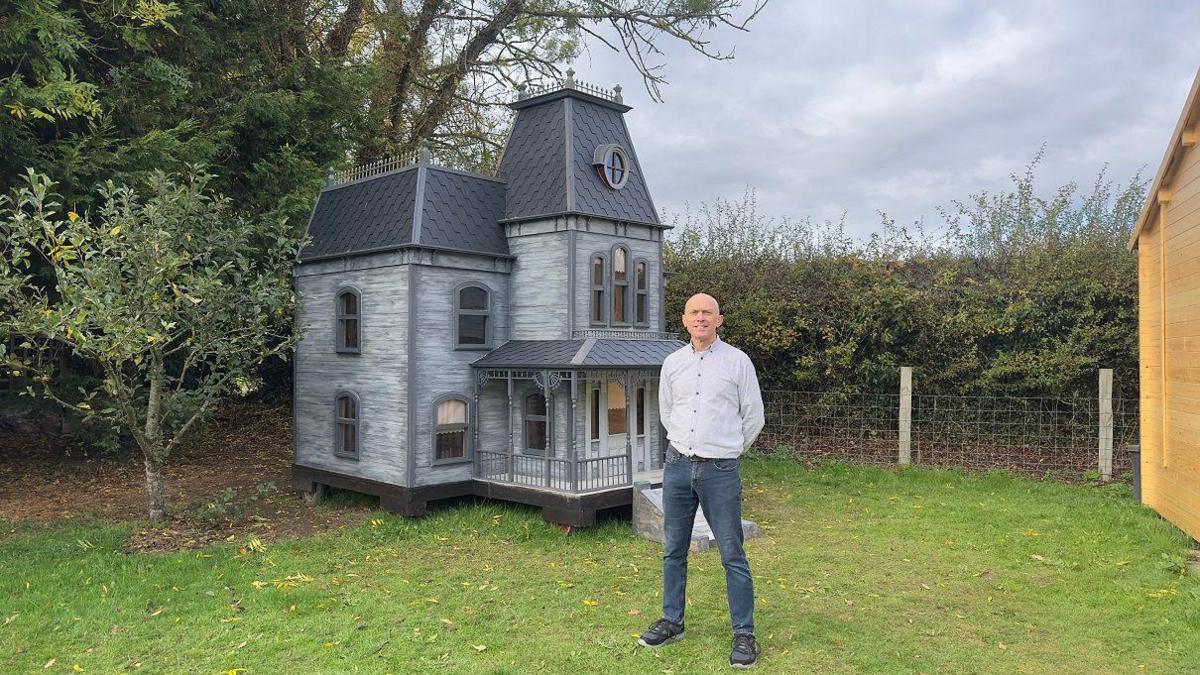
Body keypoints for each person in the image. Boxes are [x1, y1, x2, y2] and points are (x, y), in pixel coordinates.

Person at [639, 292, 765, 669]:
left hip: (720, 470)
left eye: (707, 312)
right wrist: (684, 442)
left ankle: (745, 634)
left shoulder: (738, 362)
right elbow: (666, 410)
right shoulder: (672, 363)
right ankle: (672, 621)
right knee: (673, 549)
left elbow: (753, 415)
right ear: (684, 319)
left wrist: (729, 449)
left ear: (719, 320)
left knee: (732, 554)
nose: (701, 318)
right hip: (677, 465)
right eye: (694, 312)